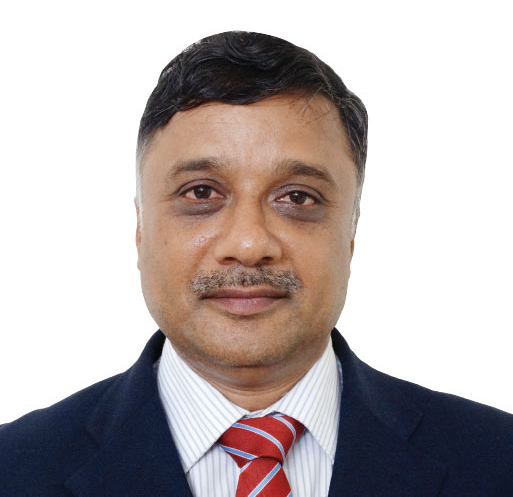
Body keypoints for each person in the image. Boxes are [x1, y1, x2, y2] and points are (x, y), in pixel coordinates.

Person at [1, 31, 512, 496]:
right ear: (140, 228)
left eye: (298, 197)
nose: (248, 244)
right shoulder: (14, 470)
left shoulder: (497, 462)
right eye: (201, 193)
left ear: (352, 232)